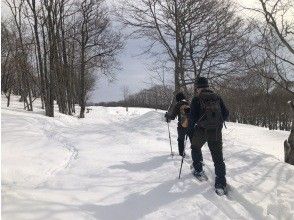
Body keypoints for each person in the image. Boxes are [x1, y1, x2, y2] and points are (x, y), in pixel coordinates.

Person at [188, 77, 229, 193]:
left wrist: (190, 131)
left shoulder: (196, 99)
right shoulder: (217, 97)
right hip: (216, 132)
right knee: (218, 158)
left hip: (201, 131)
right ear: (207, 86)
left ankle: (198, 170)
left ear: (197, 88)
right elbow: (226, 114)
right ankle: (220, 183)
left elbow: (191, 119)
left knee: (195, 148)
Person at [165, 92, 195, 157]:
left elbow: (172, 117)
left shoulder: (178, 105)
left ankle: (181, 154)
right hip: (190, 125)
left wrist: (167, 115)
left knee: (181, 140)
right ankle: (196, 155)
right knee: (193, 141)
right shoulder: (188, 103)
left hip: (181, 126)